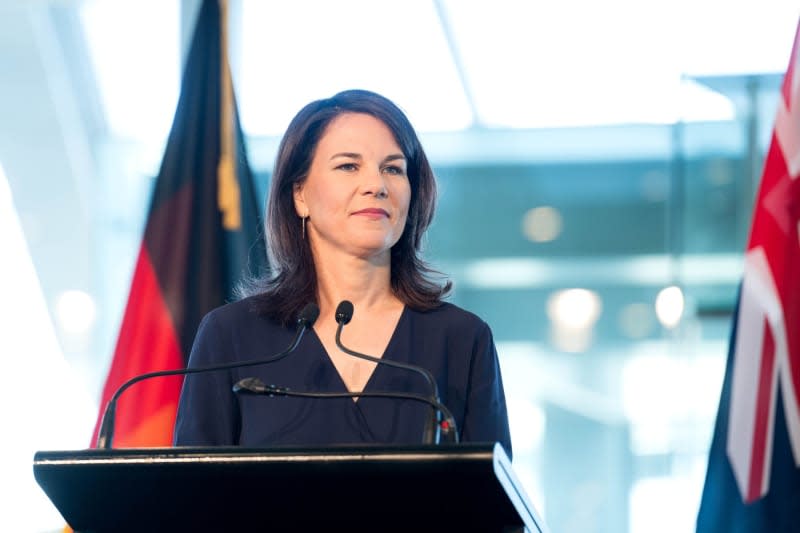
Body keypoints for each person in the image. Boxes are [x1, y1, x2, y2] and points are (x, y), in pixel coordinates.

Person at [173, 89, 511, 456]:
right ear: (299, 194)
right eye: (348, 166)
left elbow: (494, 506)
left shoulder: (462, 340)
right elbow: (193, 502)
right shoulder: (230, 337)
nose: (376, 186)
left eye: (393, 169)